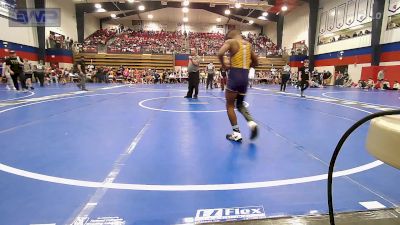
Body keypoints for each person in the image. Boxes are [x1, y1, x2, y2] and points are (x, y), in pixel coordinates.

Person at [218, 29, 259, 142]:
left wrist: (224, 64)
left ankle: (236, 133)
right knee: (240, 104)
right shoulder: (248, 44)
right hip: (244, 77)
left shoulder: (231, 42)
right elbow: (256, 62)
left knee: (230, 105)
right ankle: (252, 122)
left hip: (235, 76)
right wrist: (248, 67)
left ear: (230, 36)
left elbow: (220, 53)